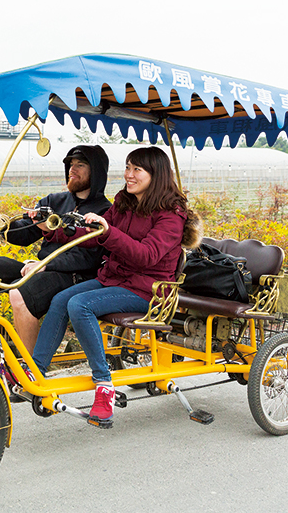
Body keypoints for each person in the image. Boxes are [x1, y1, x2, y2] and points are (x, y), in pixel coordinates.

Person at [31, 146, 201, 428]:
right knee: (61, 299)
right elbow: (93, 234)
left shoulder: (171, 216)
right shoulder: (125, 203)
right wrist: (52, 229)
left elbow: (145, 255)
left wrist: (109, 232)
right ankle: (35, 373)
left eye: (137, 170)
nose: (128, 175)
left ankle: (104, 386)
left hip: (148, 290)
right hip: (115, 278)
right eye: (127, 167)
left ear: (155, 175)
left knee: (80, 305)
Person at [0, 144, 111, 355]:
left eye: (80, 165)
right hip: (40, 267)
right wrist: (3, 227)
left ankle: (30, 367)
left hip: (75, 276)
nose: (72, 170)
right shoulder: (53, 201)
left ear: (96, 171)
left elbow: (90, 257)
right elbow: (25, 235)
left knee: (18, 293)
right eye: (70, 165)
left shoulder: (105, 212)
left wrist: (45, 265)